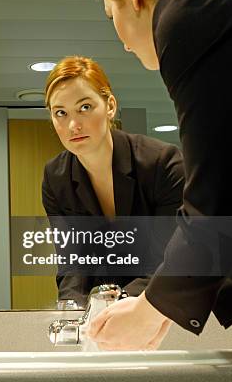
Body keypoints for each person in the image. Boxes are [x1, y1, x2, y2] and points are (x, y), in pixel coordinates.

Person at [88, 0, 232, 350]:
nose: (120, 41)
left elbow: (221, 200)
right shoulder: (229, 6)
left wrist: (153, 308)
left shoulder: (188, 8)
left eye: (109, 14)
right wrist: (163, 302)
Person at [42, 55, 184, 307]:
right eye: (60, 113)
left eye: (85, 107)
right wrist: (71, 311)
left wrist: (118, 306)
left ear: (110, 106)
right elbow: (72, 263)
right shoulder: (56, 178)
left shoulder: (162, 163)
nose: (73, 124)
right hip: (103, 312)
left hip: (164, 307)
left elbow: (168, 261)